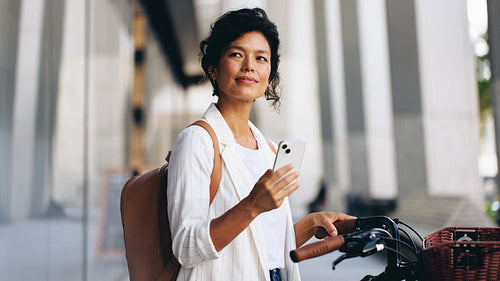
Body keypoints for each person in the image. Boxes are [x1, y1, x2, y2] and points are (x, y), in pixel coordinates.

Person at [167, 8, 354, 281]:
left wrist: (311, 224)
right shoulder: (197, 141)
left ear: (269, 74)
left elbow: (262, 243)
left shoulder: (268, 149)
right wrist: (252, 205)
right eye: (236, 54)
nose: (249, 66)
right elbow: (185, 246)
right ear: (213, 68)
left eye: (261, 58)